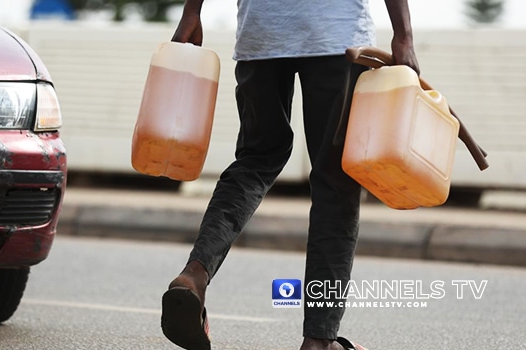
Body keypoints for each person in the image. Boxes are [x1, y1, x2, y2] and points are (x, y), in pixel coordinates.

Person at [160, 1, 420, 349]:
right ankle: (319, 339)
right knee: (335, 184)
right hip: (334, 35)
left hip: (262, 33)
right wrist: (403, 34)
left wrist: (192, 11)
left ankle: (194, 274)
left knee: (256, 158)